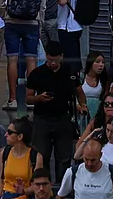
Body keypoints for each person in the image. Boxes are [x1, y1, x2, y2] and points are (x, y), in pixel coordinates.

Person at [0, 0, 44, 111]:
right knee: (32, 59)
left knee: (12, 60)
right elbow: (43, 4)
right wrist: (39, 20)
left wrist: (6, 16)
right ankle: (31, 98)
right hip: (32, 23)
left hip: (12, 23)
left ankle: (12, 99)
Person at [29, 41, 82, 182]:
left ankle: (62, 186)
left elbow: (79, 91)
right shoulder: (36, 74)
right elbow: (27, 98)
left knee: (64, 156)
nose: (52, 62)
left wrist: (83, 105)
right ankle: (44, 183)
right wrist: (39, 98)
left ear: (61, 57)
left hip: (63, 117)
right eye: (50, 59)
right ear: (46, 56)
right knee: (41, 154)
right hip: (42, 118)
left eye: (55, 59)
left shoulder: (69, 72)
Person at [53, 0, 83, 74]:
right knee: (75, 58)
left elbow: (63, 1)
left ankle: (72, 85)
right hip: (76, 25)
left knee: (69, 61)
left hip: (67, 27)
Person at [78, 52, 112, 120]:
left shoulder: (104, 80)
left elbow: (105, 98)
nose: (101, 65)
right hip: (82, 114)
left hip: (98, 114)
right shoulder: (81, 77)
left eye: (103, 62)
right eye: (97, 62)